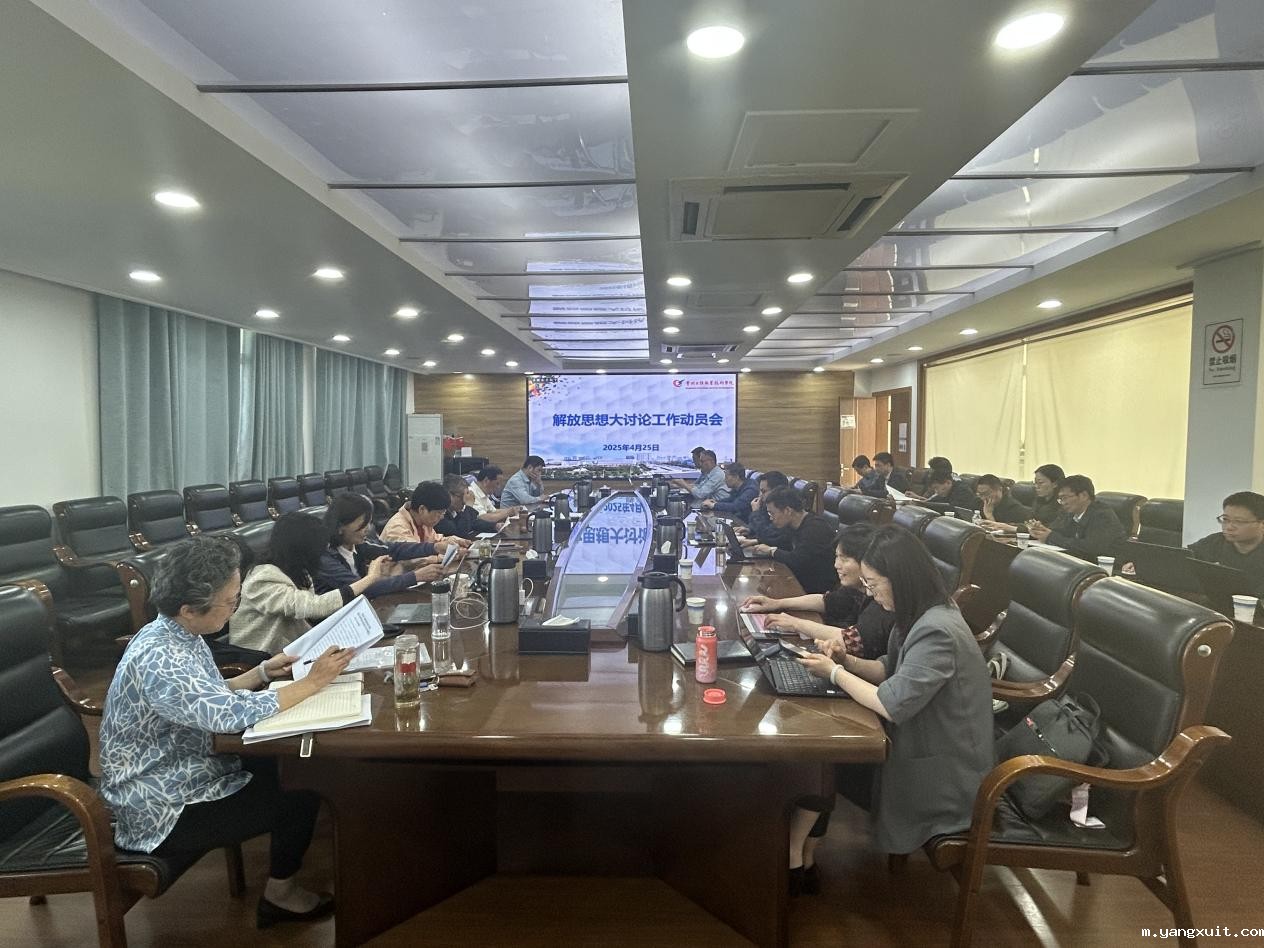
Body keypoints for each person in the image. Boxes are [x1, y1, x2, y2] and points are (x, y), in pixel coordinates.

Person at [99, 537, 350, 928]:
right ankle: (280, 897)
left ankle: (285, 881)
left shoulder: (176, 632)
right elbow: (227, 715)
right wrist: (312, 683)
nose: (237, 606)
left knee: (290, 768)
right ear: (189, 608)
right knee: (299, 790)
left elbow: (208, 694)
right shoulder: (160, 657)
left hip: (190, 770)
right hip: (159, 806)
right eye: (231, 601)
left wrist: (263, 672)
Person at [790, 526, 993, 892]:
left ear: (901, 579)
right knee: (821, 760)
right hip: (920, 742)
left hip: (944, 772)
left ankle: (795, 857)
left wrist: (834, 673)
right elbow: (889, 669)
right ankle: (800, 856)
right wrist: (846, 661)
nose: (870, 593)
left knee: (822, 761)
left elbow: (890, 701)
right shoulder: (920, 612)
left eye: (874, 584)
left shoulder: (938, 630)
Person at [230, 512, 409, 654]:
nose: (322, 554)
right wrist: (370, 578)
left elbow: (314, 619)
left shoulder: (298, 572)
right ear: (301, 549)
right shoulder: (262, 578)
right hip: (260, 660)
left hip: (293, 652)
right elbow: (314, 607)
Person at [741, 523, 895, 660]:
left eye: (844, 559)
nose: (836, 565)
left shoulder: (882, 599)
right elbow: (827, 601)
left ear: (867, 562)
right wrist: (776, 603)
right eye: (837, 557)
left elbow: (852, 641)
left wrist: (796, 624)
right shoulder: (857, 588)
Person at [315, 493, 446, 597]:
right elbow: (362, 588)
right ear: (340, 527)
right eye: (363, 524)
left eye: (369, 523)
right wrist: (416, 576)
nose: (368, 529)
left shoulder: (358, 544)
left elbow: (394, 549)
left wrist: (434, 547)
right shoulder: (324, 557)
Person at [750, 485, 839, 594]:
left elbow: (796, 560)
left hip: (815, 589)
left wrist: (772, 551)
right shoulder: (793, 524)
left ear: (787, 510)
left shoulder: (814, 529)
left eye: (772, 513)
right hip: (800, 579)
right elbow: (778, 540)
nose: (770, 518)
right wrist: (754, 541)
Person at [1028, 474, 1126, 560]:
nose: (1063, 503)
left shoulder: (1102, 515)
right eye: (1060, 499)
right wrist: (1040, 531)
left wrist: (1050, 537)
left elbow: (1090, 547)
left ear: (1083, 496)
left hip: (1108, 568)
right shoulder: (1070, 512)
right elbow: (1057, 530)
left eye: (1065, 498)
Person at [1188, 491, 1264, 591]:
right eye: (1225, 519)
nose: (1229, 527)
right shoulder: (1215, 542)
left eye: (1239, 521)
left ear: (1262, 524)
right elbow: (1183, 560)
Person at [986, 464, 1064, 533]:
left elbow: (1047, 529)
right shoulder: (1039, 500)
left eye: (1040, 483)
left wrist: (1013, 528)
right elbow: (1029, 524)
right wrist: (1005, 526)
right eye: (1035, 483)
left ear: (1055, 484)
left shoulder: (1063, 505)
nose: (1036, 487)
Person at [436, 474, 500, 540]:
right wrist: (469, 506)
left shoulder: (454, 510)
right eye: (460, 496)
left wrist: (495, 526)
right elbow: (460, 534)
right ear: (449, 495)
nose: (464, 501)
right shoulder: (439, 514)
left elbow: (473, 523)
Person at [737, 471, 792, 545]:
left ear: (776, 491)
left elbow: (768, 535)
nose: (760, 495)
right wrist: (750, 529)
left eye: (763, 491)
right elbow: (766, 528)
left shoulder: (783, 510)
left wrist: (756, 513)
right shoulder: (765, 505)